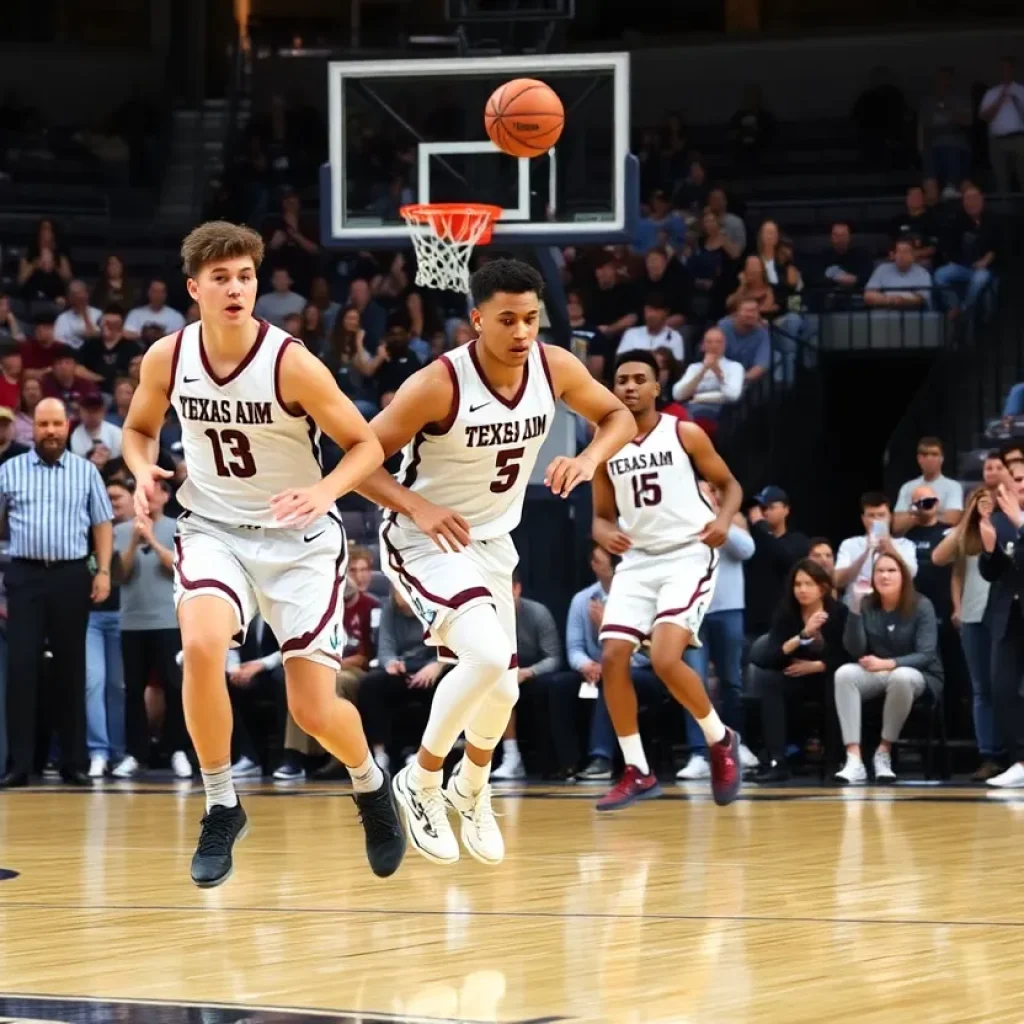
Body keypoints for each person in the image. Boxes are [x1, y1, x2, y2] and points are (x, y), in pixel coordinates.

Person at [121, 221, 405, 887]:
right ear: (194, 288)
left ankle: (370, 784)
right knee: (202, 648)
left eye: (246, 275)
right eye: (221, 277)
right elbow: (138, 430)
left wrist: (324, 489)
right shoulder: (168, 356)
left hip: (299, 543)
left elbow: (365, 447)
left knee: (311, 709)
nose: (236, 287)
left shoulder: (291, 362)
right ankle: (222, 804)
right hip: (214, 529)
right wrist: (141, 472)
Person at [355, 258, 635, 866]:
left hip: (490, 541)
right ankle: (421, 780)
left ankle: (471, 788)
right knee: (484, 659)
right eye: (507, 320)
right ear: (476, 320)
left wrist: (589, 461)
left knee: (503, 687)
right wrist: (416, 505)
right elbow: (358, 460)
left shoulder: (555, 366)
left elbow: (619, 416)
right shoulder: (437, 383)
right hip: (425, 537)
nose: (521, 332)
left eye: (531, 319)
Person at [591, 350, 744, 810]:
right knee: (613, 655)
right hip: (637, 559)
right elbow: (599, 518)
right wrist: (606, 535)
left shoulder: (684, 432)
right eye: (622, 380)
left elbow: (731, 485)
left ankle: (720, 740)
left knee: (662, 656)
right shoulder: (604, 444)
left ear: (658, 388)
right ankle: (636, 769)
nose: (631, 386)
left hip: (687, 553)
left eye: (640, 379)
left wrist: (724, 519)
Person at [0, 398, 113, 788]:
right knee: (21, 668)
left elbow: (102, 524)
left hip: (70, 575)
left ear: (68, 426)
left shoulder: (85, 473)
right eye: (43, 424)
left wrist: (103, 572)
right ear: (33, 429)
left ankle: (74, 762)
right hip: (25, 576)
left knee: (71, 668)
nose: (50, 431)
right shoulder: (9, 470)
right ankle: (20, 763)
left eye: (57, 424)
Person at [834, 554, 943, 784]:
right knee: (844, 674)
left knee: (901, 677)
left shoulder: (922, 605)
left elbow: (926, 654)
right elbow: (855, 649)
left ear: (903, 576)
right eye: (879, 571)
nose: (885, 576)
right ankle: (854, 758)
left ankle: (883, 752)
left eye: (891, 571)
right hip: (879, 672)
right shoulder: (866, 604)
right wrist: (854, 608)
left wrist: (889, 663)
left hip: (920, 674)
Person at [749, 559, 848, 782]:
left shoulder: (839, 612)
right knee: (770, 682)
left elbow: (848, 655)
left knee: (838, 680)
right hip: (796, 675)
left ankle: (834, 761)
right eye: (797, 584)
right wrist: (802, 636)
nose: (802, 590)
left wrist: (818, 666)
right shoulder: (786, 613)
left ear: (822, 588)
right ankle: (777, 761)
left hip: (826, 674)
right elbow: (769, 657)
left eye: (808, 584)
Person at [931, 487, 997, 780]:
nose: (985, 505)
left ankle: (1013, 753)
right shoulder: (964, 534)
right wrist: (969, 516)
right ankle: (990, 755)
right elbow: (940, 559)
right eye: (978, 500)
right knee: (981, 689)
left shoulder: (1006, 528)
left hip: (1005, 616)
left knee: (1008, 689)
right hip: (973, 616)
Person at [978, 472, 1024, 788]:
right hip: (1008, 613)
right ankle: (1020, 760)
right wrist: (989, 551)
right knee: (1002, 688)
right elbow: (991, 573)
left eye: (1023, 478)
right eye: (1015, 480)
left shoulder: (1015, 520)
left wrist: (1021, 524)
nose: (1018, 485)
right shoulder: (1001, 520)